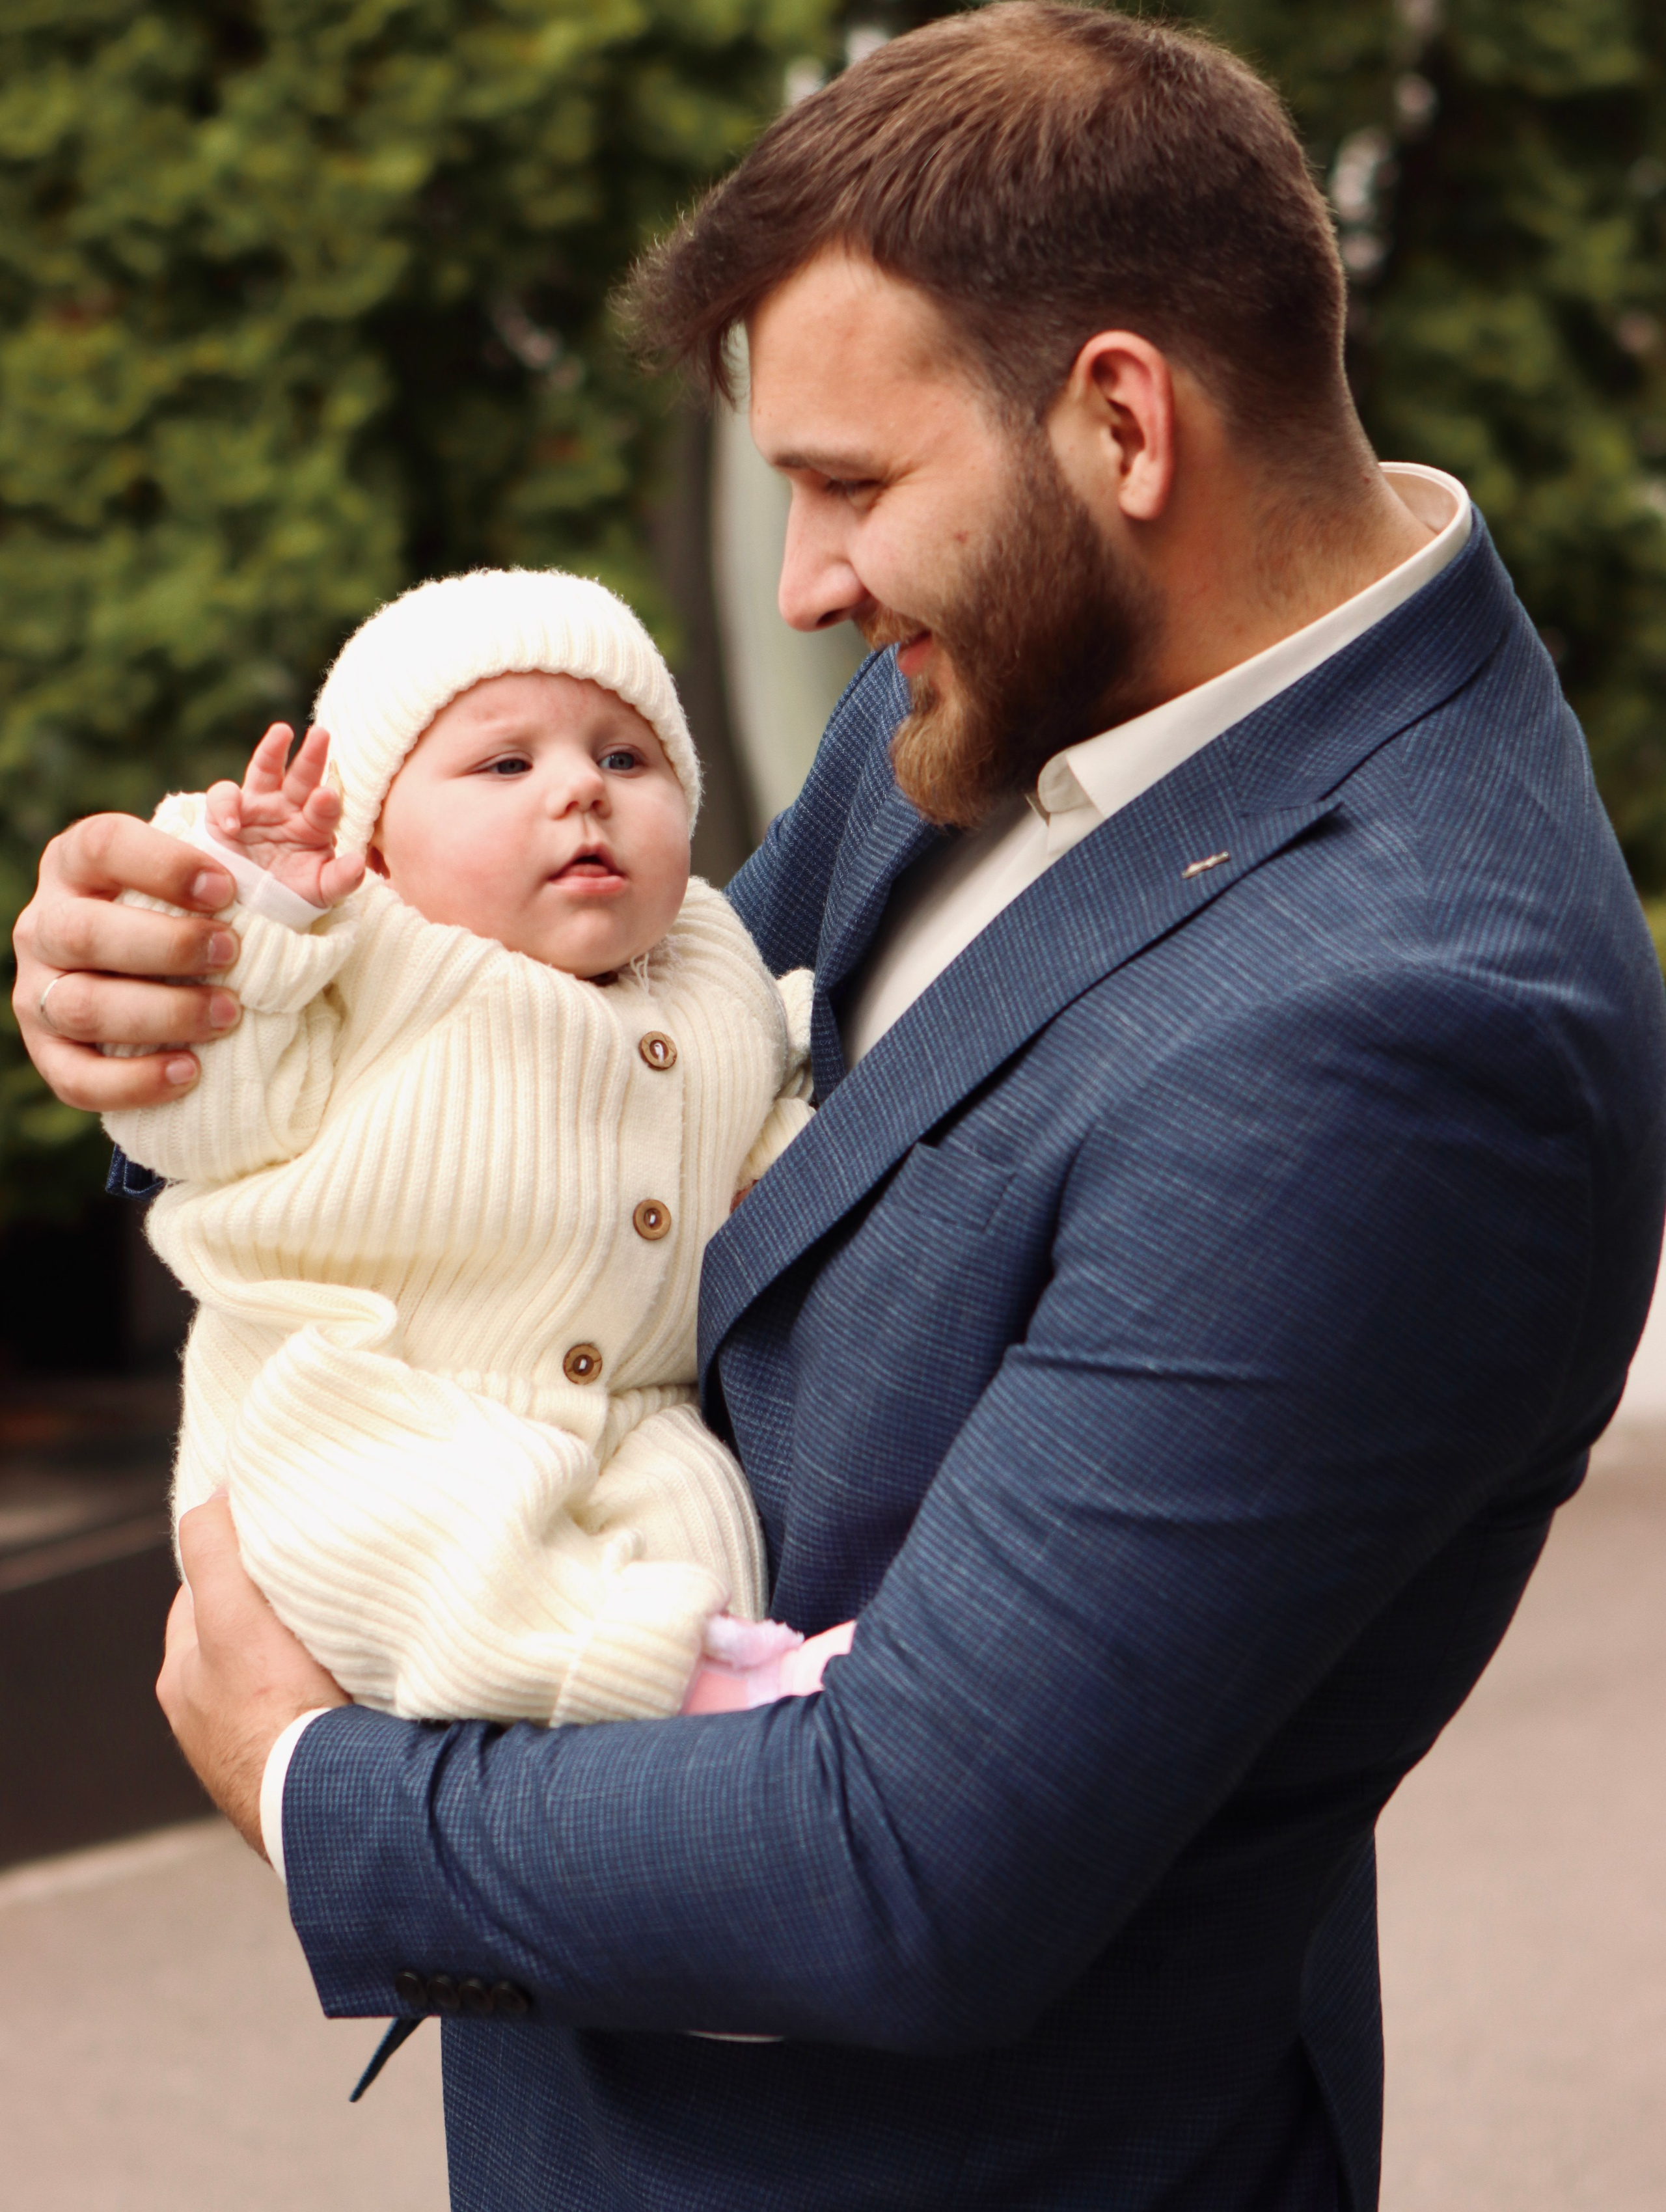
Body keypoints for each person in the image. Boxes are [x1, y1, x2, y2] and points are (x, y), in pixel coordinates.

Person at [14, 7, 1666, 2208]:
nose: (804, 585)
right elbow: (609, 1052)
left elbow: (908, 1865)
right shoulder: (1029, 663)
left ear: (1122, 424)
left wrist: (315, 1791)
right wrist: (211, 1016)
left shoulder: (1418, 1033)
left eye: (854, 487)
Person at [103, 566, 846, 1727]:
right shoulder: (356, 957)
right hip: (359, 1393)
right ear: (376, 847)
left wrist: (779, 1162)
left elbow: (768, 1084)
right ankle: (673, 1675)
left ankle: (721, 1687)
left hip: (625, 1414)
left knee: (696, 1501)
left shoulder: (709, 954)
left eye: (626, 759)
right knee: (409, 1531)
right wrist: (254, 912)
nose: (581, 791)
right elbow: (195, 1114)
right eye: (506, 765)